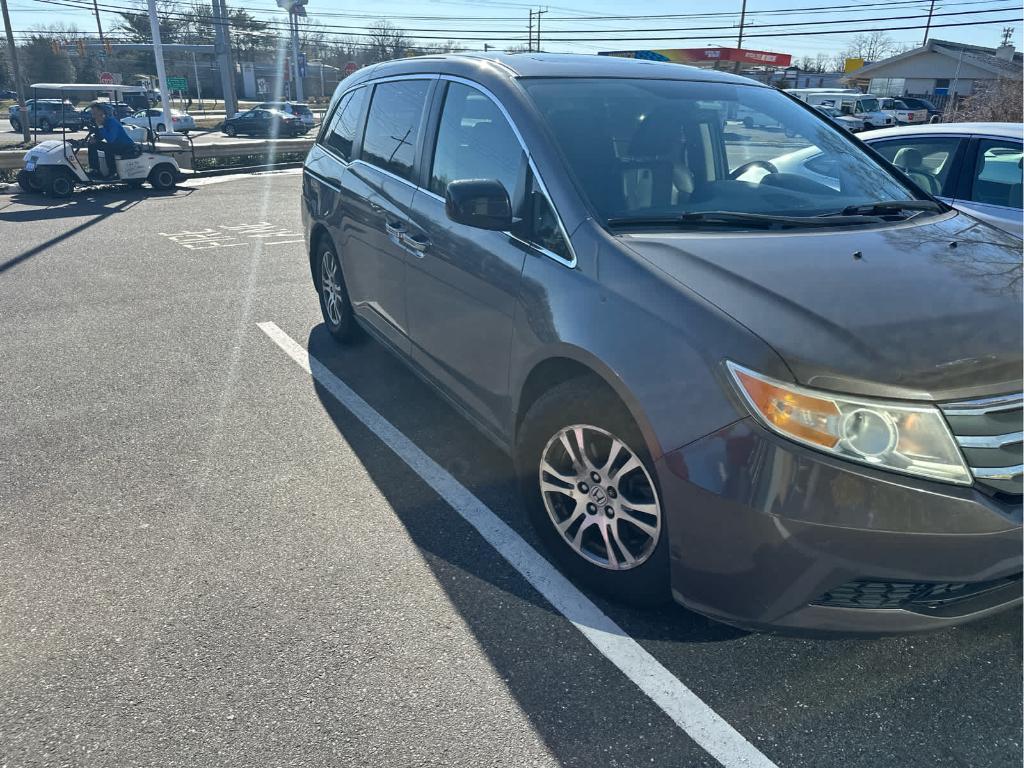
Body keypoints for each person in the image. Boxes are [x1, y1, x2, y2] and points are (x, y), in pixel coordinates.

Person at [86, 101, 136, 179]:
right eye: (92, 114)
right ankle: (95, 170)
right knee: (92, 145)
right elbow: (101, 137)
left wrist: (100, 126)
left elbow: (110, 139)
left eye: (95, 113)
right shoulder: (102, 122)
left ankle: (113, 172)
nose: (93, 116)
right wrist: (95, 139)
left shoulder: (112, 122)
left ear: (102, 112)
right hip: (116, 145)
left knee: (109, 148)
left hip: (126, 147)